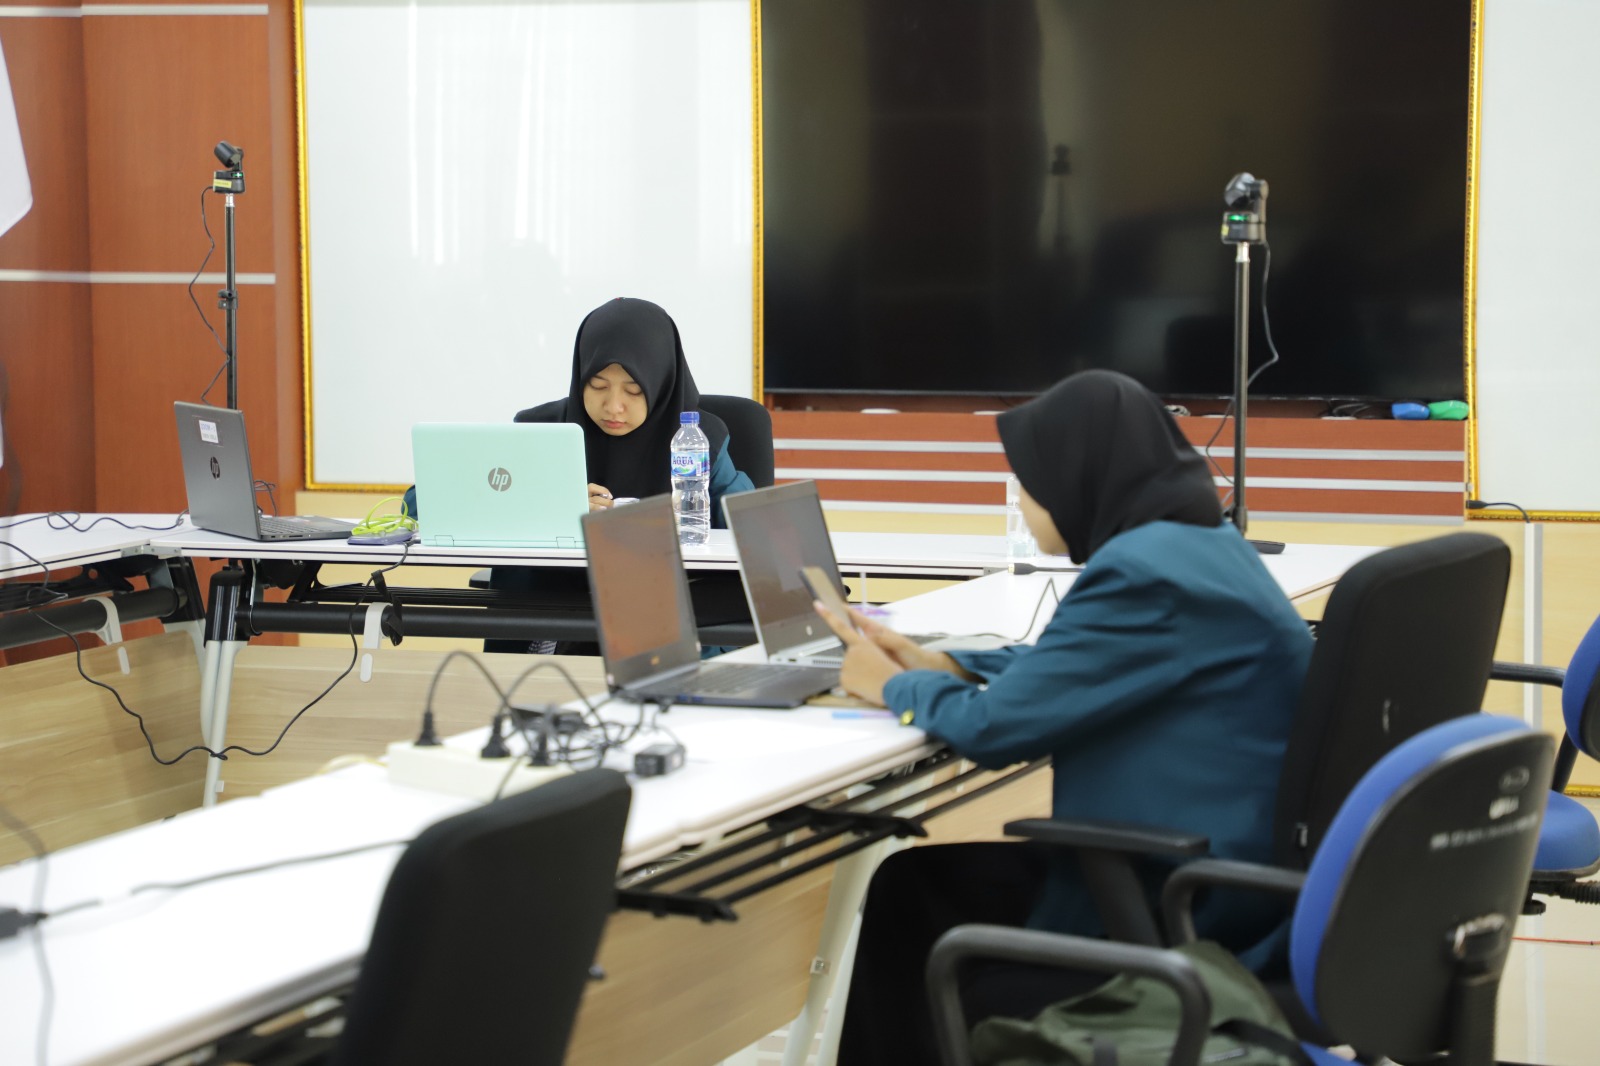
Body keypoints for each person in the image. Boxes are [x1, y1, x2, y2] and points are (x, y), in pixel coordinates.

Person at [811, 370, 1315, 1064]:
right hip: (1228, 871)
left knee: (917, 910)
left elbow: (992, 731)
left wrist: (891, 686)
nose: (1021, 499)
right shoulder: (1199, 543)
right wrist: (945, 665)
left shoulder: (1144, 570)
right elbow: (1084, 664)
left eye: (1028, 481)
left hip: (1184, 904)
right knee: (910, 886)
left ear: (1078, 478)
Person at [402, 297, 754, 654]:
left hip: (664, 629)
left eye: (634, 390)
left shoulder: (697, 439)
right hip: (547, 626)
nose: (613, 406)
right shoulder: (541, 429)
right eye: (597, 385)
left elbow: (752, 521)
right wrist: (550, 505)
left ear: (661, 383)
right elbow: (420, 505)